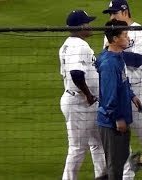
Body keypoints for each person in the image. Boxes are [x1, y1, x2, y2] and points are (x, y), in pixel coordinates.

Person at [102, 1, 142, 179]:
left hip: (138, 87)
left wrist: (114, 50)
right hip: (119, 89)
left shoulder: (141, 31)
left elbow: (137, 60)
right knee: (120, 135)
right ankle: (127, 175)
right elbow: (106, 58)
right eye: (110, 14)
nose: (111, 17)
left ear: (125, 11)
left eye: (114, 13)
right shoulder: (110, 32)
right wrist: (113, 52)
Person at [59, 10, 107, 180]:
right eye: (88, 23)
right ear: (80, 26)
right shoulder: (78, 46)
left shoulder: (70, 43)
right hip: (79, 102)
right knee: (78, 148)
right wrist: (88, 94)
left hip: (85, 102)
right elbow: (76, 74)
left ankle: (102, 176)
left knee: (97, 143)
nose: (90, 25)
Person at [95, 19, 142, 180]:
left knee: (119, 164)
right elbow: (108, 96)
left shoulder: (118, 56)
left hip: (119, 118)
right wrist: (118, 118)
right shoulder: (109, 64)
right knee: (115, 169)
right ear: (115, 39)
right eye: (125, 35)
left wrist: (131, 95)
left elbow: (123, 81)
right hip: (111, 123)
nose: (128, 38)